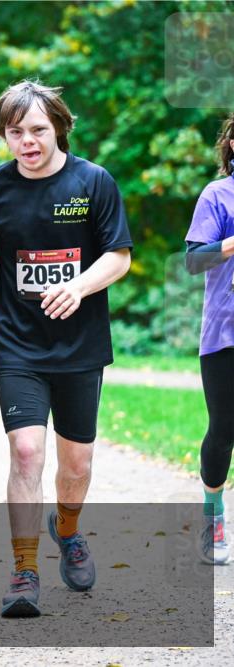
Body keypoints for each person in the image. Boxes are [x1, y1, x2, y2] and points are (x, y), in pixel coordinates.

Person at [0, 81, 132, 618]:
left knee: (76, 462)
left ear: (57, 127)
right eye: (15, 132)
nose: (27, 141)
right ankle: (24, 569)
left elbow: (119, 257)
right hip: (18, 342)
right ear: (3, 135)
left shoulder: (93, 182)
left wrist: (78, 286)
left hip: (80, 344)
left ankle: (69, 530)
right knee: (27, 451)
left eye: (36, 130)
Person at [185, 111, 234, 565]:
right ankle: (212, 515)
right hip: (226, 334)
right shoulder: (217, 195)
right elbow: (194, 260)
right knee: (224, 430)